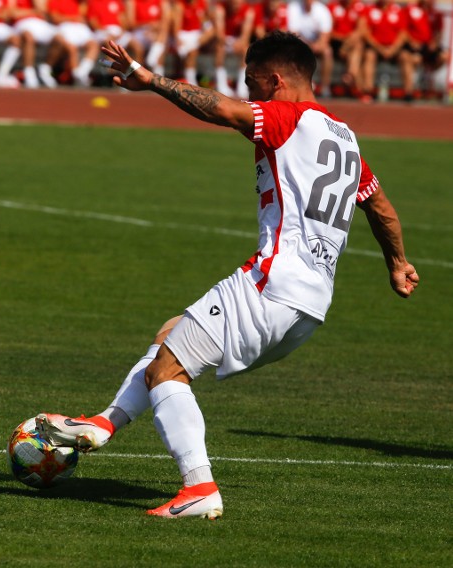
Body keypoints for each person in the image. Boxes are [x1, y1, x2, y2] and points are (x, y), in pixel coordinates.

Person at [37, 31, 418, 519]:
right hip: (312, 304)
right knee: (171, 335)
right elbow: (380, 205)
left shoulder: (287, 117)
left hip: (272, 283)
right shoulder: (345, 139)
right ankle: (104, 424)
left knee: (167, 372)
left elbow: (219, 109)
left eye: (252, 82)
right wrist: (397, 262)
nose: (248, 92)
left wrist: (150, 80)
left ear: (276, 81)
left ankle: (199, 487)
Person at [357, 0, 413, 102]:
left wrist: (393, 49)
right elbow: (365, 32)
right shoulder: (370, 10)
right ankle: (368, 91)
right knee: (369, 56)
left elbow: (403, 33)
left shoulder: (398, 11)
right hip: (375, 48)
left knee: (405, 57)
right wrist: (379, 48)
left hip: (394, 49)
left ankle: (408, 92)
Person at [287, 0, 335, 97]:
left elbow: (325, 36)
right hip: (299, 43)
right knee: (291, 50)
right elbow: (293, 33)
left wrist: (317, 45)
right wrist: (307, 46)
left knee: (327, 51)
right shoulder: (293, 8)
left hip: (316, 44)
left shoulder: (322, 10)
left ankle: (325, 87)